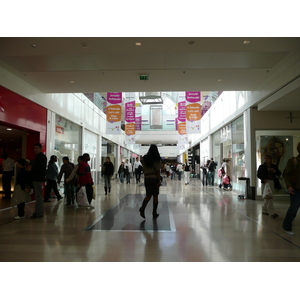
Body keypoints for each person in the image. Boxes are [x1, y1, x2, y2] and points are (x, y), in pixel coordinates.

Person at [139, 144, 162, 219]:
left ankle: (142, 208)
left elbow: (143, 169)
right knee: (155, 196)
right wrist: (159, 180)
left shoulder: (145, 158)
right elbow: (157, 171)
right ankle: (154, 212)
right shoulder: (157, 158)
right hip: (154, 178)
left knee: (148, 195)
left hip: (147, 178)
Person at [282, 142, 300, 235]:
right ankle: (286, 225)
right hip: (296, 189)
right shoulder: (293, 161)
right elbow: (286, 174)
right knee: (294, 208)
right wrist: (288, 185)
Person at [257, 154, 281, 218]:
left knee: (268, 196)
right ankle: (272, 212)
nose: (266, 160)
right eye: (265, 158)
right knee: (268, 197)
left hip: (272, 182)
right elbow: (258, 175)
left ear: (271, 160)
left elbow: (279, 173)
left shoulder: (274, 166)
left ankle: (264, 209)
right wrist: (263, 179)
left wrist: (275, 171)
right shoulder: (262, 166)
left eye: (267, 158)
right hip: (265, 183)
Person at [30, 143, 47, 219]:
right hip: (36, 178)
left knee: (38, 196)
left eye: (37, 148)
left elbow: (41, 169)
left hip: (38, 178)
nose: (35, 149)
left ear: (40, 149)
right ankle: (38, 212)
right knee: (38, 196)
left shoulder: (42, 157)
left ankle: (39, 212)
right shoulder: (37, 157)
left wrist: (32, 168)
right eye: (34, 148)